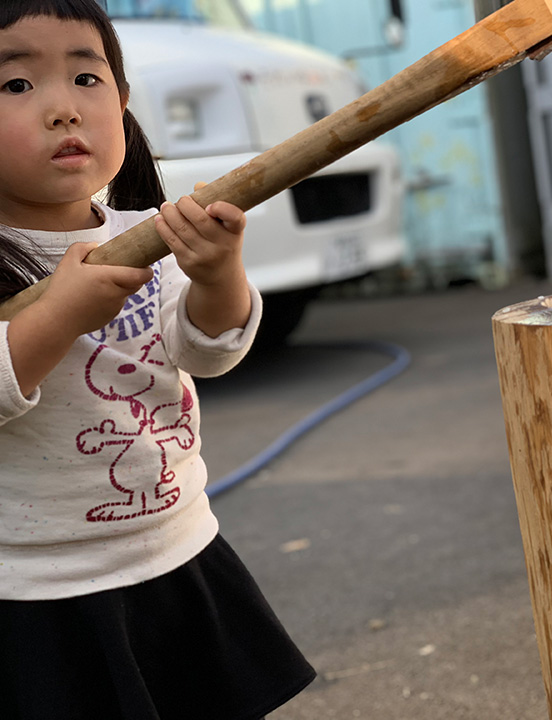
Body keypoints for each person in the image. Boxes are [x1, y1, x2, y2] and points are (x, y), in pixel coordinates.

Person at [0, 1, 316, 717]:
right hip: (39, 592)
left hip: (177, 550)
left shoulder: (147, 234)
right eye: (15, 85)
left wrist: (217, 277)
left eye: (87, 78)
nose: (62, 110)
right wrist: (59, 316)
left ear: (123, 101)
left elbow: (208, 353)